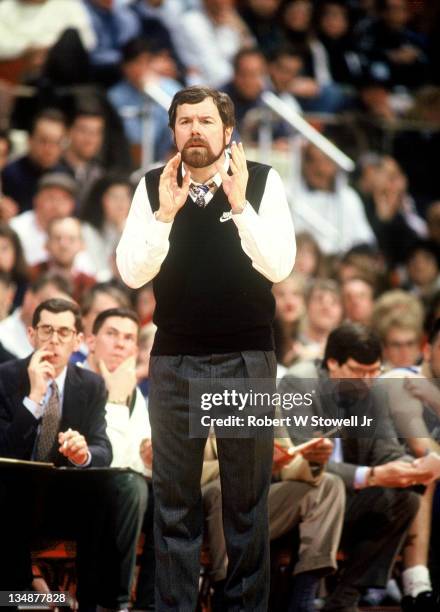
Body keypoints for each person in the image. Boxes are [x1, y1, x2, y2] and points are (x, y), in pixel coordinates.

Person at [116, 85, 296, 610]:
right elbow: (131, 273)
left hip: (246, 357)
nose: (195, 130)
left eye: (206, 121)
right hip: (173, 358)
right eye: (185, 121)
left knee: (246, 502)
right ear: (172, 132)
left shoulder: (261, 180)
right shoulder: (151, 186)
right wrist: (164, 215)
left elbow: (279, 267)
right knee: (174, 503)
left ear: (227, 132)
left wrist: (240, 205)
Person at [278, 322, 433, 612]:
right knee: (330, 486)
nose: (368, 380)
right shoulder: (299, 383)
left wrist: (412, 467)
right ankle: (302, 599)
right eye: (359, 371)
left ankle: (344, 599)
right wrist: (371, 475)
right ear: (333, 363)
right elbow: (301, 462)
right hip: (303, 500)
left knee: (408, 499)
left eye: (375, 371)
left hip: (348, 499)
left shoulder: (373, 388)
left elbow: (386, 451)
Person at [0, 298, 114, 607]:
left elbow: (103, 449)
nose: (54, 339)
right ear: (31, 334)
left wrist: (83, 455)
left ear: (78, 340)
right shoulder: (6, 377)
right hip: (12, 494)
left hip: (64, 497)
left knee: (106, 492)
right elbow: (3, 449)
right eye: (47, 330)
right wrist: (35, 396)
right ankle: (22, 596)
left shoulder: (91, 385)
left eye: (64, 332)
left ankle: (93, 602)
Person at [202, 434, 345, 612]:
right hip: (203, 499)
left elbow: (285, 460)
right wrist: (246, 464)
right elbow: (177, 468)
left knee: (330, 485)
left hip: (257, 495)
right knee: (229, 489)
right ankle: (227, 595)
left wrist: (311, 459)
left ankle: (304, 595)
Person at [83, 307, 153, 610]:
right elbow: (110, 463)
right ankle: (116, 603)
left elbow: (138, 462)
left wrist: (150, 458)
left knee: (175, 498)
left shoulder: (134, 392)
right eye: (111, 334)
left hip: (123, 491)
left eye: (128, 338)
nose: (120, 344)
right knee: (129, 487)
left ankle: (152, 604)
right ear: (91, 341)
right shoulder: (77, 382)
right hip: (81, 492)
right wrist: (114, 401)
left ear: (136, 349)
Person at [1, 109, 67, 213]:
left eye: (56, 142)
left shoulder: (65, 176)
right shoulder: (9, 174)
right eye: (43, 141)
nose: (49, 149)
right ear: (30, 140)